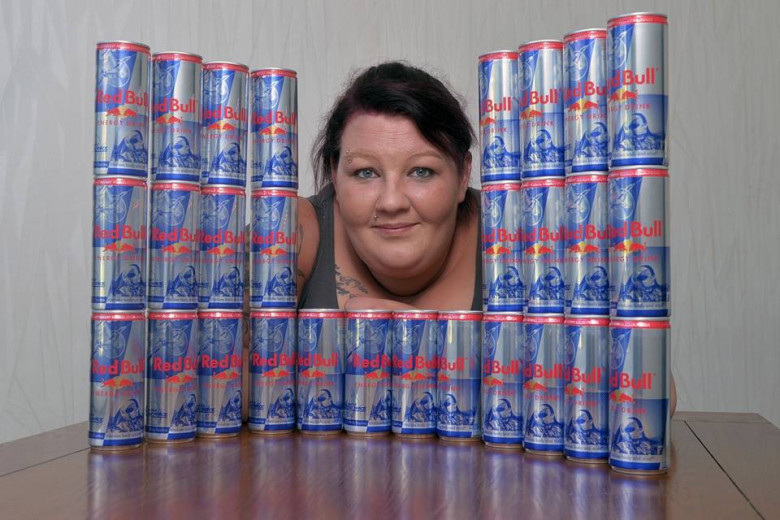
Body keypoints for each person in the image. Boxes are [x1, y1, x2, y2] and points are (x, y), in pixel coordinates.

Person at [297, 62, 480, 312]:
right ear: (335, 175)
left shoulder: (514, 232)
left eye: (421, 171)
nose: (391, 203)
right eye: (366, 172)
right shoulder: (290, 230)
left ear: (463, 175)